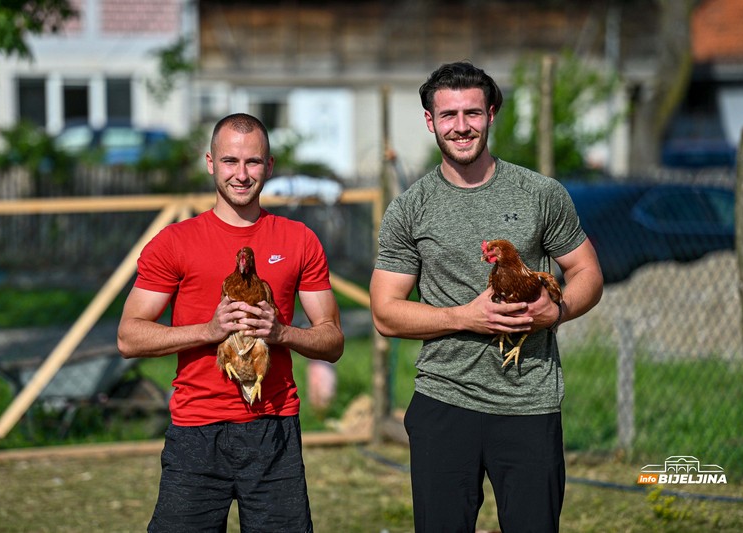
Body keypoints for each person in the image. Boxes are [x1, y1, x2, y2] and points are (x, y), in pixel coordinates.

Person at [369, 62, 603, 532]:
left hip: (529, 402)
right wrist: (465, 317)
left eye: (472, 112)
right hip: (445, 401)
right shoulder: (410, 208)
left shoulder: (541, 193)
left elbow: (587, 271)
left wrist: (555, 312)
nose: (461, 126)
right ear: (430, 121)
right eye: (449, 115)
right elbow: (385, 313)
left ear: (491, 114)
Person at [117, 112, 344, 532]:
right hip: (196, 430)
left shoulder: (299, 240)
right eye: (230, 162)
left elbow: (332, 341)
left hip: (273, 427)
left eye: (253, 162)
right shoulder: (175, 241)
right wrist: (209, 330)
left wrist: (282, 333)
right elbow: (129, 336)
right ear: (210, 163)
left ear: (270, 166)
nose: (241, 174)